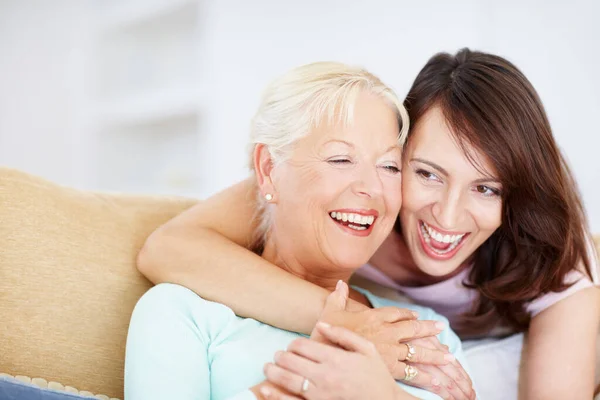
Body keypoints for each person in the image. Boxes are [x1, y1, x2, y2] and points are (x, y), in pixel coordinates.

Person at [137, 49, 600, 399]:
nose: (448, 214)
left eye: (487, 188)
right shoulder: (342, 200)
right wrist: (352, 329)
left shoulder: (548, 275)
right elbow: (169, 247)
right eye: (426, 173)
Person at [125, 61, 475, 400]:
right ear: (268, 169)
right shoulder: (182, 312)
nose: (372, 187)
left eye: (389, 166)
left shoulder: (425, 331)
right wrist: (307, 381)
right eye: (340, 159)